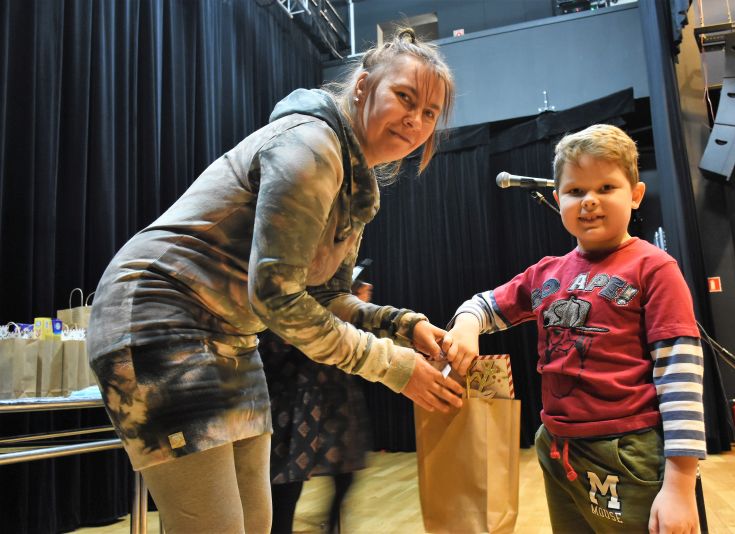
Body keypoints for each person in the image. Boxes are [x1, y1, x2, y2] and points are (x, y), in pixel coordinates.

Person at [87, 28, 463, 533]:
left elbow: (325, 296)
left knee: (257, 522)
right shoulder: (312, 145)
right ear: (362, 87)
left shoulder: (356, 186)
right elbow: (278, 298)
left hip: (230, 336)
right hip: (161, 315)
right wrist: (393, 367)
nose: (416, 120)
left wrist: (401, 325)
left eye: (431, 112)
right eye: (405, 97)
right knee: (213, 526)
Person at [443, 124, 706, 533]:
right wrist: (465, 326)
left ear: (635, 194)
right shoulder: (546, 272)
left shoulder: (654, 268)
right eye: (575, 191)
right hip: (557, 447)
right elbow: (484, 304)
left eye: (606, 187)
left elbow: (680, 377)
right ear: (557, 199)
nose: (589, 201)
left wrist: (681, 484)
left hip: (627, 450)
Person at [265, 278, 375, 534]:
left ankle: (332, 526)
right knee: (286, 485)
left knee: (344, 474)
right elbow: (274, 345)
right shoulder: (281, 295)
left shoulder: (332, 298)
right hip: (292, 398)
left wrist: (353, 307)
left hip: (332, 395)